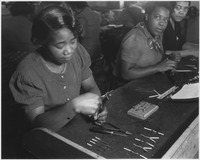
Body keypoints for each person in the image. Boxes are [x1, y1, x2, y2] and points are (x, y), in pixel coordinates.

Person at [9, 6, 107, 132]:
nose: (69, 50)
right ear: (42, 42)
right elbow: (37, 126)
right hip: (47, 136)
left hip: (74, 127)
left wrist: (96, 107)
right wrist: (73, 106)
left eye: (73, 41)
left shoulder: (78, 53)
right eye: (59, 45)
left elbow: (91, 87)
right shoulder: (27, 73)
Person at [113, 2, 177, 86]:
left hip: (148, 81)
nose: (162, 23)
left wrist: (168, 61)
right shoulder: (135, 38)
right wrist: (158, 68)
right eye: (157, 17)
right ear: (146, 16)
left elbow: (153, 55)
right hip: (128, 87)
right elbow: (126, 74)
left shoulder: (157, 32)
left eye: (165, 19)